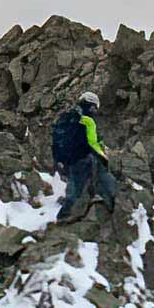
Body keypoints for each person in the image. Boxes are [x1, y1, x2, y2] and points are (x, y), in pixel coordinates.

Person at [52, 91, 117, 220]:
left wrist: (59, 160)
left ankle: (65, 215)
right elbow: (92, 143)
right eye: (95, 108)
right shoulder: (88, 120)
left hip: (66, 160)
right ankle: (110, 205)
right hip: (82, 157)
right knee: (96, 180)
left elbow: (55, 140)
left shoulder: (66, 117)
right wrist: (104, 157)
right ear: (92, 105)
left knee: (74, 187)